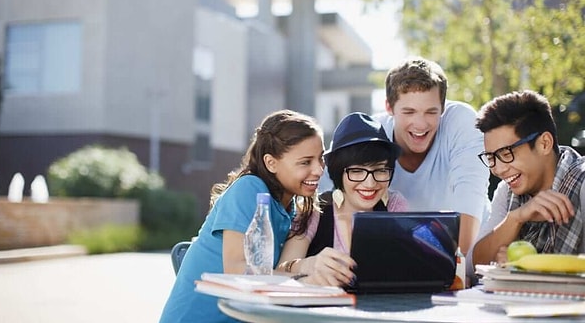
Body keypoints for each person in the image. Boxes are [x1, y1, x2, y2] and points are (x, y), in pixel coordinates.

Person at [159, 110, 326, 323]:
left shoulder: (293, 209)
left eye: (321, 159)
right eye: (305, 162)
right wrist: (306, 278)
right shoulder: (249, 188)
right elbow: (237, 271)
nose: (319, 170)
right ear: (271, 163)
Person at [373, 57, 491, 255]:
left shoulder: (462, 122)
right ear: (389, 108)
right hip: (404, 254)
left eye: (431, 112)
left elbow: (471, 196)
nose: (420, 124)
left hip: (472, 252)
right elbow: (334, 197)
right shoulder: (373, 134)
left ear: (443, 108)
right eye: (409, 112)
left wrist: (460, 270)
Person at [276, 112, 408, 287]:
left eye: (380, 170)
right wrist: (307, 265)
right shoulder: (315, 209)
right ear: (339, 172)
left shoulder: (394, 205)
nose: (370, 183)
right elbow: (280, 271)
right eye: (356, 171)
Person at [471, 90, 584, 267]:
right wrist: (516, 219)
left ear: (544, 143)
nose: (498, 169)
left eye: (506, 153)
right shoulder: (507, 191)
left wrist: (529, 267)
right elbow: (475, 263)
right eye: (491, 157)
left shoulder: (582, 183)